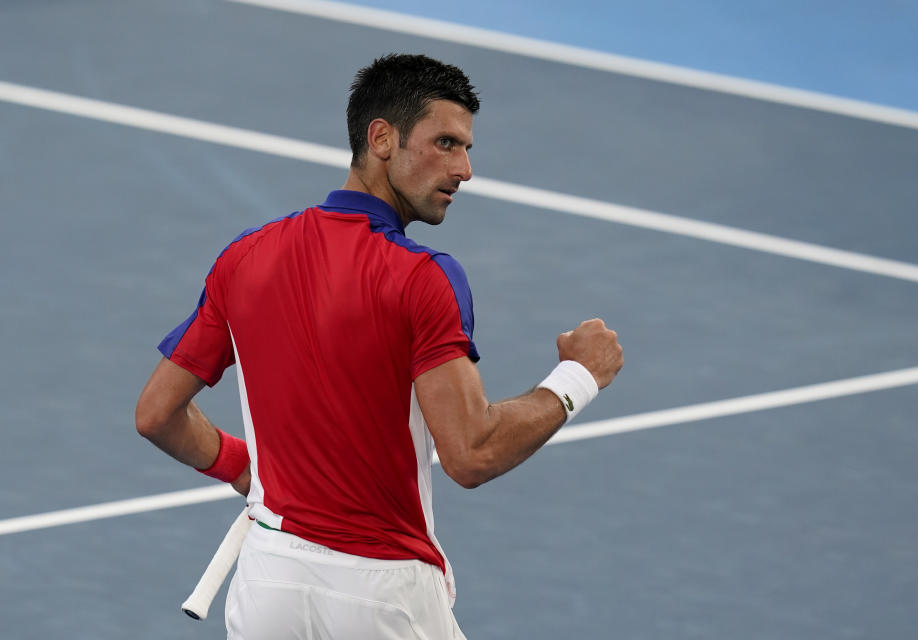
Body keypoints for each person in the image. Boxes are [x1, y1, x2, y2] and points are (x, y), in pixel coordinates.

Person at [135, 53, 623, 639]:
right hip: (381, 597)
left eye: (466, 148)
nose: (464, 169)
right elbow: (472, 454)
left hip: (267, 584)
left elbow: (157, 414)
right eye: (445, 143)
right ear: (382, 138)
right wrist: (577, 378)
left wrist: (245, 468)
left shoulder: (245, 256)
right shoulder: (424, 276)